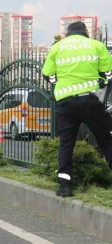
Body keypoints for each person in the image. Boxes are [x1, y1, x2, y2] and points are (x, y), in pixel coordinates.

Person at [41, 21, 112, 197]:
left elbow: (47, 74)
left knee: (66, 143)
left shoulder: (57, 47)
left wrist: (59, 84)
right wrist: (100, 83)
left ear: (67, 33)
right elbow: (108, 73)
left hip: (66, 101)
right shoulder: (97, 45)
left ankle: (65, 186)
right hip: (91, 99)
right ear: (85, 32)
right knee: (105, 138)